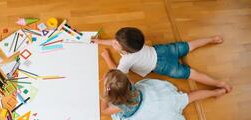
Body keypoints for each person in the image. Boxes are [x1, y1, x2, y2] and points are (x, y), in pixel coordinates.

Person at [92, 27, 231, 92]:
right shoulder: (133, 43)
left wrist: (107, 57)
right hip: (161, 50)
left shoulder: (126, 60)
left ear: (124, 51)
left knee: (190, 74)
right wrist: (99, 41)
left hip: (162, 66)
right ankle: (213, 39)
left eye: (115, 43)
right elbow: (116, 42)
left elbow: (117, 73)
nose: (113, 42)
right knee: (187, 45)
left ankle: (218, 83)